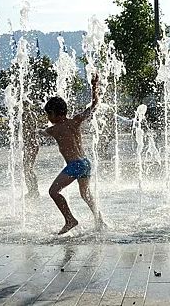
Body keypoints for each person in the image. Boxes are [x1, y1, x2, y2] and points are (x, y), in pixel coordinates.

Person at [39, 74, 104, 235]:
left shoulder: (54, 129)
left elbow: (41, 133)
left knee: (53, 192)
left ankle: (70, 220)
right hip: (85, 163)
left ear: (54, 113)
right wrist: (94, 87)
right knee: (85, 194)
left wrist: (31, 131)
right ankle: (99, 219)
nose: (48, 118)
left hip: (75, 165)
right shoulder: (75, 121)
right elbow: (94, 105)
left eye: (49, 114)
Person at [22, 101, 41, 198]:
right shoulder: (31, 114)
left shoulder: (26, 115)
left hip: (31, 145)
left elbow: (30, 131)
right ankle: (32, 190)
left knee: (28, 168)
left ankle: (33, 190)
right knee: (28, 168)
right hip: (32, 144)